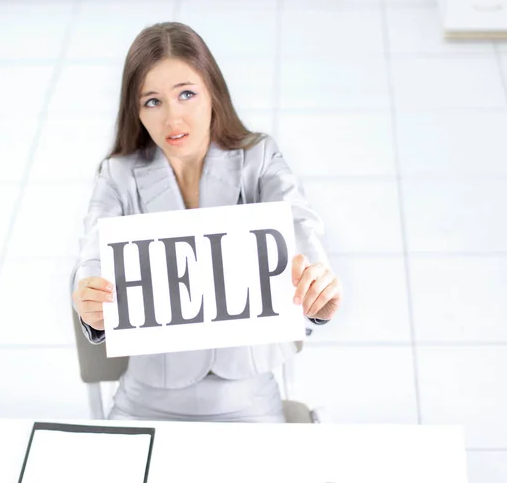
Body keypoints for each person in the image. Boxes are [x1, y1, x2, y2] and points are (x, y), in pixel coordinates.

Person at [71, 22, 342, 423]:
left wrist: (317, 280)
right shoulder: (118, 174)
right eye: (152, 102)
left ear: (212, 92)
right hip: (147, 397)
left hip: (247, 395)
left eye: (186, 94)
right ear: (136, 111)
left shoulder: (259, 158)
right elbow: (94, 248)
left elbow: (295, 221)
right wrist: (87, 296)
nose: (172, 118)